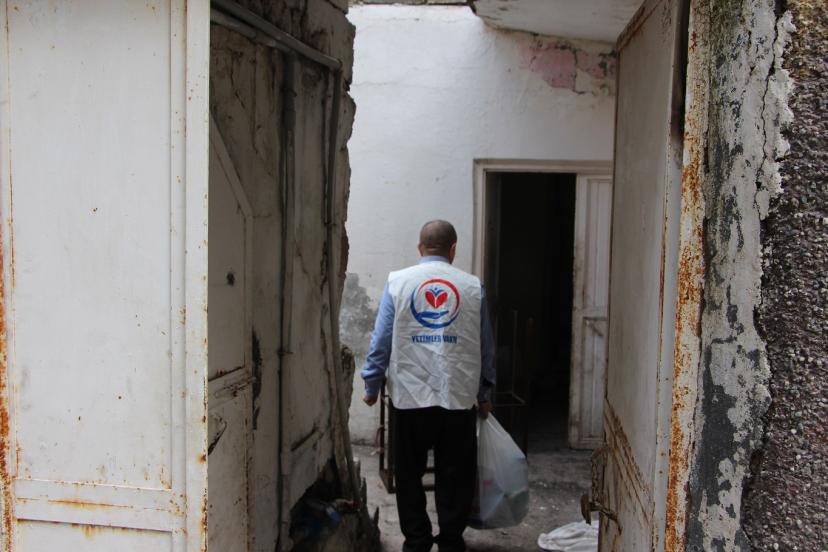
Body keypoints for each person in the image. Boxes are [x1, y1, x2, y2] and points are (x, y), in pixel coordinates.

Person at [361, 220, 496, 552]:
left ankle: (417, 541)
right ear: (453, 250)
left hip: (410, 396)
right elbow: (485, 345)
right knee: (456, 475)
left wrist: (372, 384)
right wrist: (485, 392)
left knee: (408, 474)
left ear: (420, 248)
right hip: (457, 396)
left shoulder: (397, 283)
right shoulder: (473, 287)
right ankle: (450, 541)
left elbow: (381, 339)